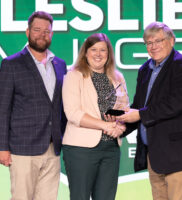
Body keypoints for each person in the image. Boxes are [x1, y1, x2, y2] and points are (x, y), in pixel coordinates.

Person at [117, 22, 182, 200]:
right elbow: (139, 106)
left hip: (181, 158)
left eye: (158, 40)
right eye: (149, 42)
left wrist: (140, 114)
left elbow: (176, 104)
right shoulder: (145, 70)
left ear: (172, 41)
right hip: (156, 157)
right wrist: (119, 125)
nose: (153, 46)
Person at [0, 11, 67, 200]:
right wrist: (1, 146)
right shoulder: (11, 64)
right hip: (22, 148)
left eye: (47, 31)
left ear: (52, 34)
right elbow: (2, 109)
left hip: (52, 148)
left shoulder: (60, 64)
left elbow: (61, 107)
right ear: (27, 32)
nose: (42, 34)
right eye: (37, 30)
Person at [62, 33, 129, 200]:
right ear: (85, 53)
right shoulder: (74, 75)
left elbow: (124, 110)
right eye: (93, 50)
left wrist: (119, 127)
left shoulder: (117, 77)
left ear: (109, 54)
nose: (98, 54)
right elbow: (73, 113)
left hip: (111, 149)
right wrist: (105, 126)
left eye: (103, 50)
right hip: (81, 149)